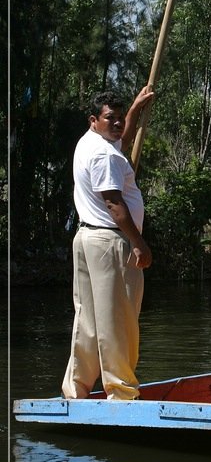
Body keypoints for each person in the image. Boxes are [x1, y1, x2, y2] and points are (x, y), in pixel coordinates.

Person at [62, 87, 155, 400]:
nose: (117, 124)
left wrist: (136, 108)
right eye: (109, 118)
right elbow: (114, 204)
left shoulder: (90, 142)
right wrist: (139, 243)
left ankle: (76, 387)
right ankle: (121, 390)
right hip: (111, 241)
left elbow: (122, 138)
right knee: (120, 317)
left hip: (87, 237)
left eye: (119, 118)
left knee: (87, 318)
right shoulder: (104, 154)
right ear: (94, 120)